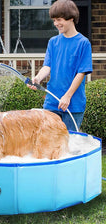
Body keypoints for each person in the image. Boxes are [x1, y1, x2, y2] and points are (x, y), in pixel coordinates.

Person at [28, 0, 92, 131]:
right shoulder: (53, 42)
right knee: (49, 140)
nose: (56, 24)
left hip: (73, 104)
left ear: (71, 18)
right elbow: (47, 66)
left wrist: (67, 96)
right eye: (54, 20)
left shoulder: (83, 43)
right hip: (52, 102)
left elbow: (81, 73)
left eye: (59, 19)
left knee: (69, 143)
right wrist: (38, 78)